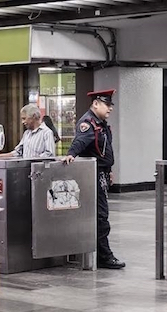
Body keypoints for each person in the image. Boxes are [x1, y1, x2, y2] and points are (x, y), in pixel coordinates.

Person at [64, 89, 125, 270]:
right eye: (107, 105)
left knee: (98, 215)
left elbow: (104, 150)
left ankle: (98, 252)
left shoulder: (101, 123)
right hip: (92, 175)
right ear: (96, 103)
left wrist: (109, 170)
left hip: (100, 172)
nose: (110, 109)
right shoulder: (88, 123)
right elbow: (80, 141)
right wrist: (70, 154)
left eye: (110, 105)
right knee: (100, 216)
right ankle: (104, 256)